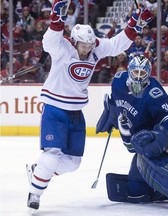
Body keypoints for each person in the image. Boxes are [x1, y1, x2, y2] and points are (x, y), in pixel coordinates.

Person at [25, 0, 154, 212]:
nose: (87, 49)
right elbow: (49, 41)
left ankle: (39, 171)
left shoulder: (94, 47)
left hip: (76, 112)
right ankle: (35, 193)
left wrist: (134, 24)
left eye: (89, 45)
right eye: (83, 45)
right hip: (55, 109)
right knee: (52, 155)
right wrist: (57, 19)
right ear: (74, 42)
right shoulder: (62, 48)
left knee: (73, 163)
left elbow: (117, 45)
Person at [96, 55, 168, 214]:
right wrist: (110, 111)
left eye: (142, 74)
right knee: (137, 191)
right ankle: (165, 186)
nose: (138, 77)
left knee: (151, 166)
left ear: (149, 74)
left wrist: (159, 137)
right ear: (129, 71)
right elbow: (116, 103)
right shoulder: (118, 81)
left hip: (166, 137)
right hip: (142, 140)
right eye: (136, 73)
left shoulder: (153, 91)